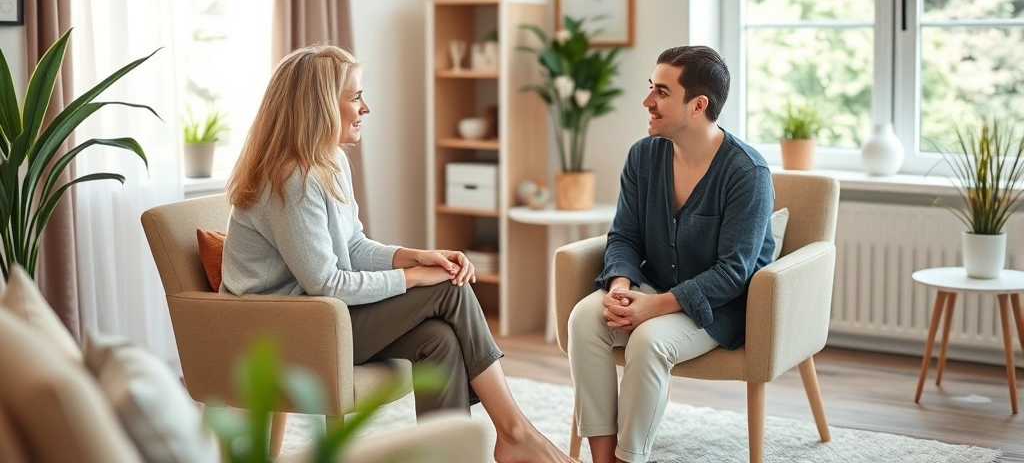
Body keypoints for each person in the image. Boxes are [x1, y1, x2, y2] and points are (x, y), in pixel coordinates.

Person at [221, 44, 572, 463]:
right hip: (283, 333)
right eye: (355, 97)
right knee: (449, 291)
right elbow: (326, 282)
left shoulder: (328, 161)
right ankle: (515, 433)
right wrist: (415, 279)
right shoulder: (291, 179)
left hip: (319, 315)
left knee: (438, 339)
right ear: (320, 107)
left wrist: (417, 257)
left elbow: (352, 246)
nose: (365, 108)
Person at [567, 46, 775, 463]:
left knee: (647, 342)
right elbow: (624, 235)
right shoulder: (643, 156)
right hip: (653, 284)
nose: (647, 101)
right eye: (651, 88)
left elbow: (733, 274)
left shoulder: (747, 173)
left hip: (718, 306)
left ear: (697, 105)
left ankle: (630, 457)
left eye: (661, 92)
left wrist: (653, 308)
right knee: (584, 319)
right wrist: (621, 287)